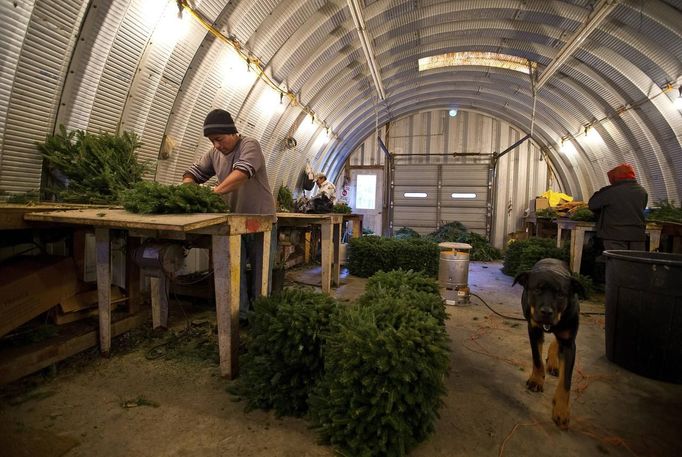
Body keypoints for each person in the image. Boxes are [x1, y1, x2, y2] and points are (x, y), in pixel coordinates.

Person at [182, 109, 276, 319]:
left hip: (260, 220)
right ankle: (240, 316)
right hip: (234, 223)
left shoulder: (249, 145)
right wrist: (188, 188)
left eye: (219, 139)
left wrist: (212, 193)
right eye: (211, 140)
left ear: (232, 133)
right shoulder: (214, 153)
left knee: (261, 274)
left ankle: (263, 318)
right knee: (235, 272)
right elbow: (193, 173)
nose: (216, 145)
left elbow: (241, 174)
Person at [588, 163, 648, 251]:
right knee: (635, 262)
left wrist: (601, 191)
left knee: (617, 262)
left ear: (615, 177)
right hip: (637, 235)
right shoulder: (642, 191)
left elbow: (592, 204)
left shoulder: (611, 191)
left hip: (615, 235)